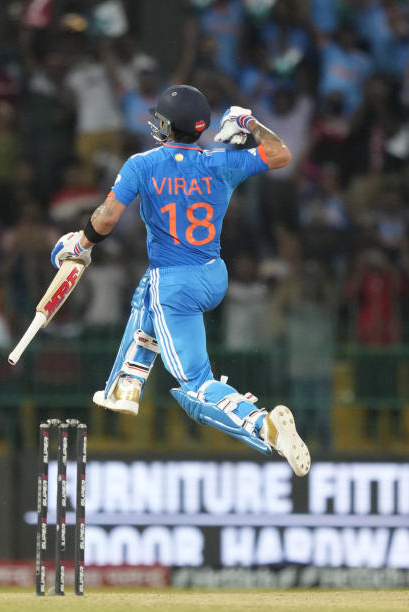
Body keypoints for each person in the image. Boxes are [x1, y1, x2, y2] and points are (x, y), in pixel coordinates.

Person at [49, 84, 310, 477]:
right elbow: (281, 153)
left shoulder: (143, 163)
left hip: (175, 286)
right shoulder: (221, 162)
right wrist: (247, 121)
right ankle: (125, 386)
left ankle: (263, 425)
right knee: (145, 291)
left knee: (194, 386)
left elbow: (105, 218)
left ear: (167, 125)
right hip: (212, 275)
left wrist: (80, 244)